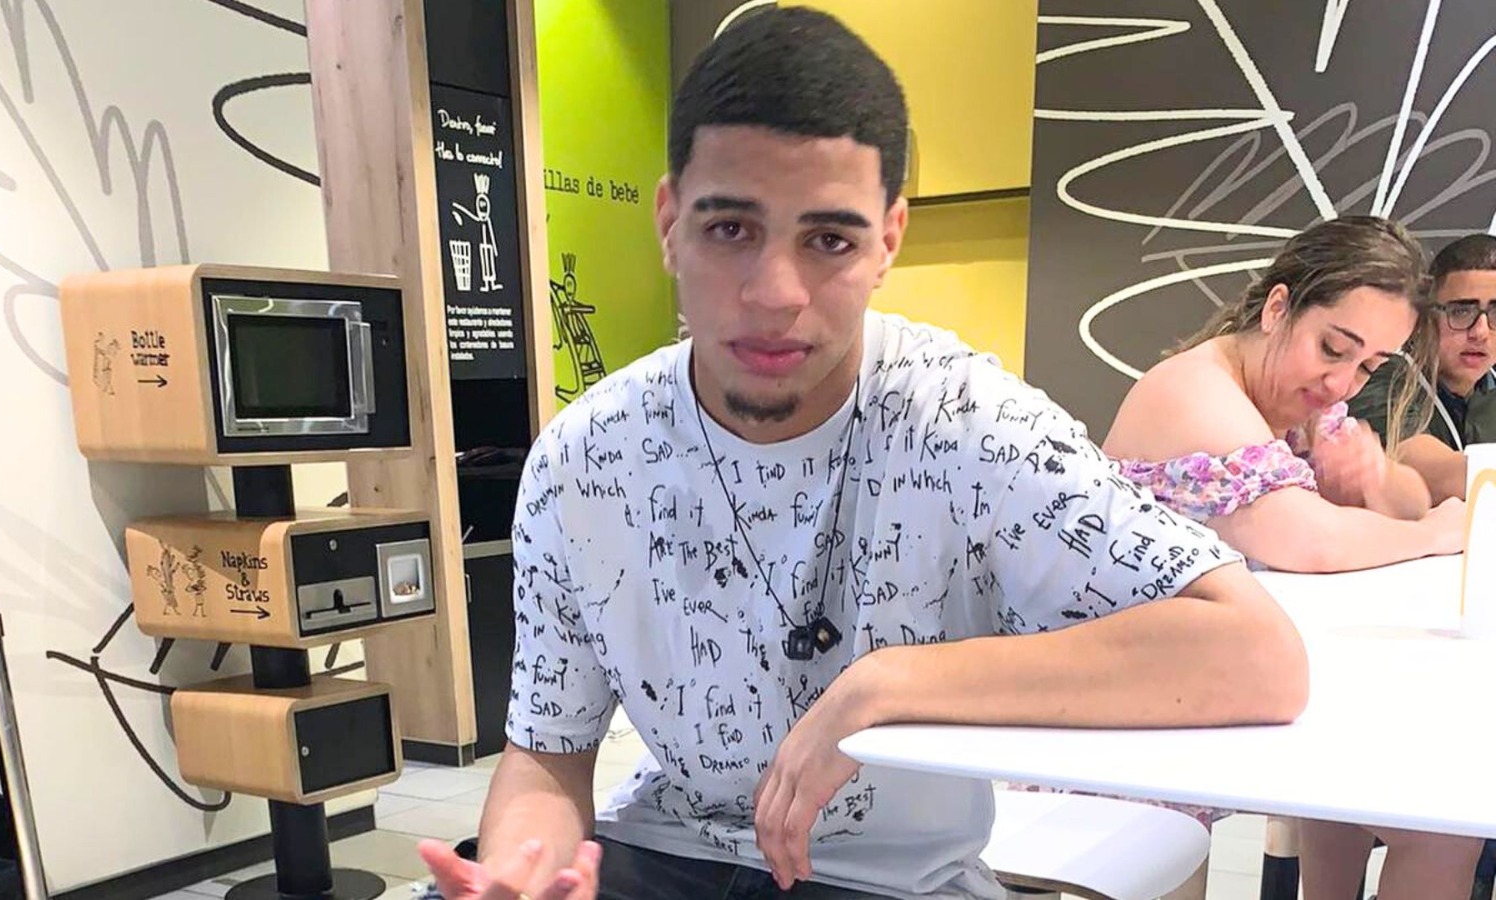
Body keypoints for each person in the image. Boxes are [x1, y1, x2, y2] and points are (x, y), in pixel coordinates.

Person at [417, 9, 1308, 900]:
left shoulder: (964, 422)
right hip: (661, 857)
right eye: (731, 229)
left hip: (893, 883)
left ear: (888, 242)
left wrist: (887, 683)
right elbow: (548, 754)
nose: (775, 293)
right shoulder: (584, 461)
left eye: (829, 241)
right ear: (669, 223)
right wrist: (519, 875)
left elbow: (1257, 657)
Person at [1103, 216, 1479, 900]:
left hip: (1202, 684)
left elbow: (1402, 499)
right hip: (1124, 715)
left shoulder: (1294, 394)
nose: (1342, 383)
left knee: (1425, 820)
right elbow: (1311, 541)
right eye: (1334, 349)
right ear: (1278, 307)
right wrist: (1438, 531)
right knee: (1435, 826)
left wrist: (1372, 475)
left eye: (1367, 367)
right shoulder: (1193, 392)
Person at [1350, 232, 1496, 503]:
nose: (1480, 332)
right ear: (1426, 314)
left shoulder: (1490, 385)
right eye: (1461, 311)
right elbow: (1432, 474)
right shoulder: (1381, 375)